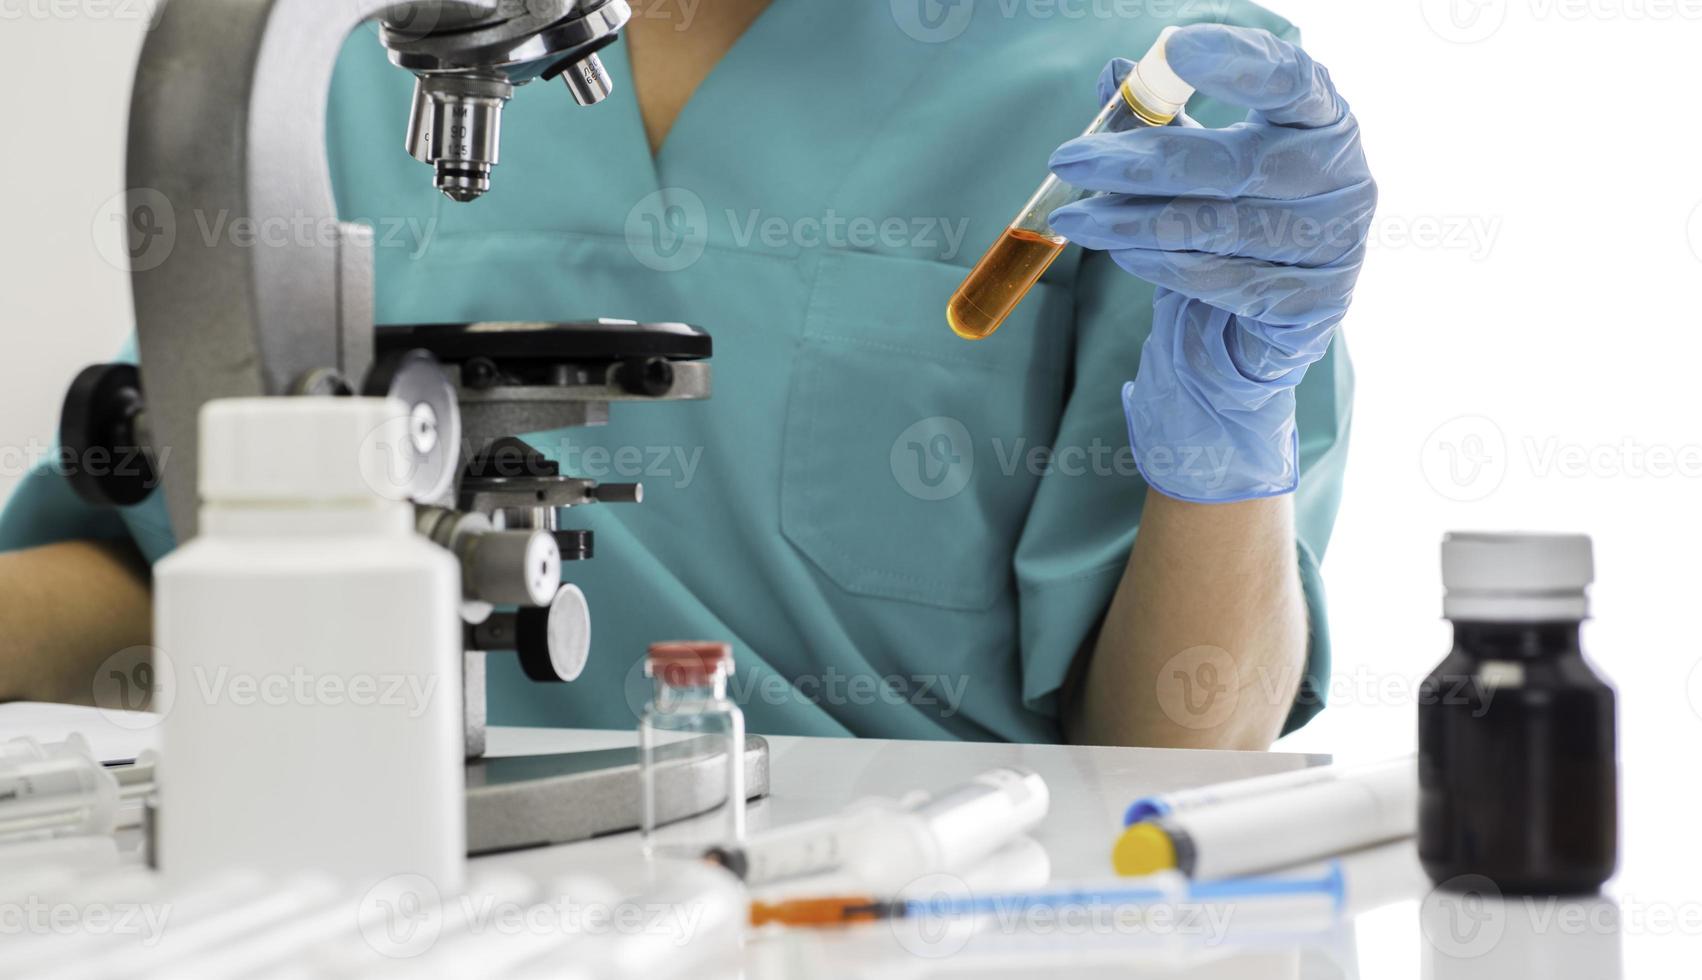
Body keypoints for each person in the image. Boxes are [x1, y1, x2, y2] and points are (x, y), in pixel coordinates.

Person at [0, 1, 1371, 749]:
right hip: (388, 880)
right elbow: (158, 580)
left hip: (915, 914)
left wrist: (1226, 445)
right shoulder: (364, 55)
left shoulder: (1136, 87)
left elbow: (1178, 744)